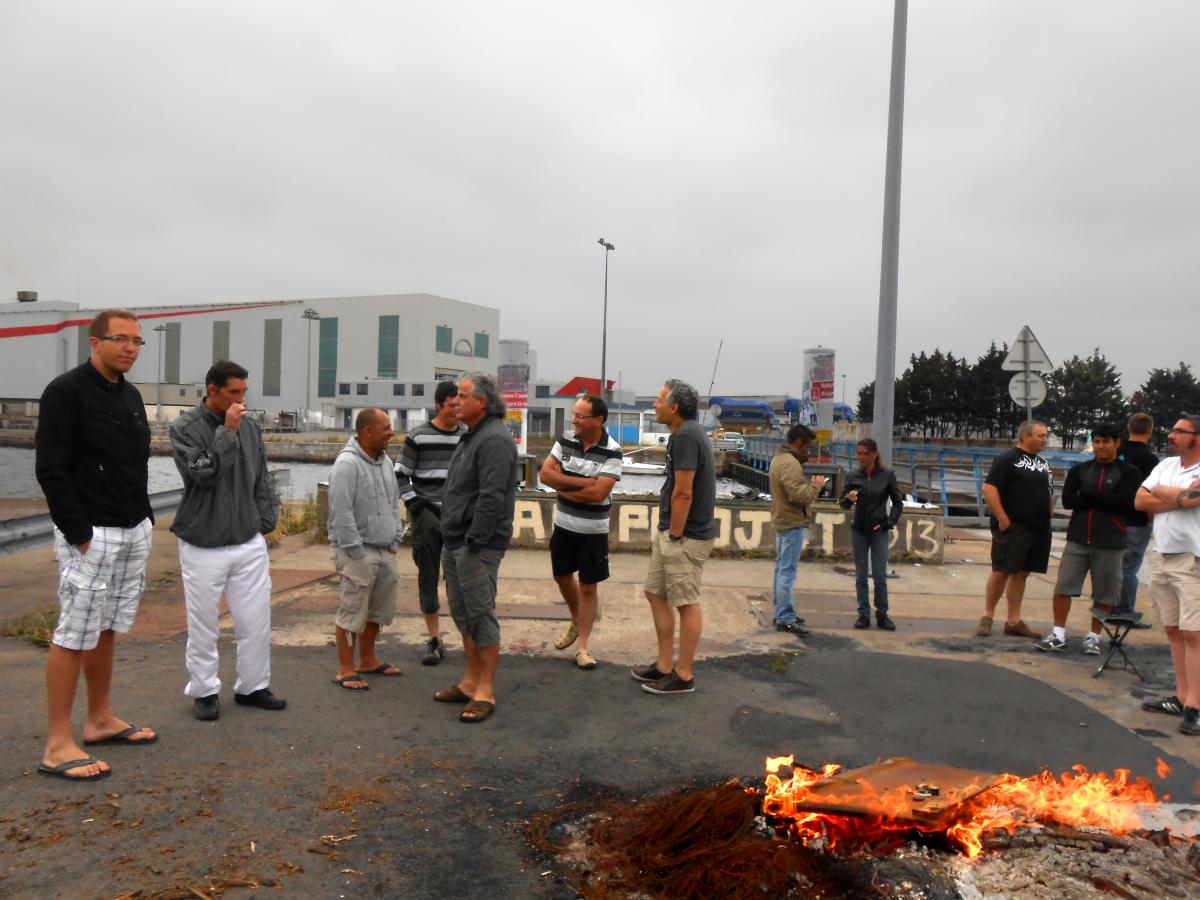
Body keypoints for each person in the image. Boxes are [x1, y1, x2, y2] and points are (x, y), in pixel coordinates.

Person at [33, 309, 157, 781]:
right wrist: (79, 533)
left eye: (137, 341)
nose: (130, 348)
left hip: (132, 527)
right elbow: (51, 468)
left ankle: (100, 719)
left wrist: (144, 520)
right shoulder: (66, 391)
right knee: (74, 632)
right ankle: (57, 745)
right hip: (91, 533)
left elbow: (134, 462)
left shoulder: (130, 395)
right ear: (95, 342)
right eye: (121, 339)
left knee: (106, 627)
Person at [170, 360, 284, 721]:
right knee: (203, 625)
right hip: (203, 543)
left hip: (247, 540)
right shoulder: (185, 428)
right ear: (212, 390)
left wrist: (265, 521)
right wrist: (228, 431)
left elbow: (261, 477)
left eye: (244, 391)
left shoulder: (250, 427)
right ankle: (204, 691)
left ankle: (253, 686)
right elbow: (203, 473)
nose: (242, 399)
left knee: (256, 622)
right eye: (235, 392)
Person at [434, 373, 517, 723]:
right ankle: (470, 682)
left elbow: (492, 496)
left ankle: (485, 691)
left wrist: (475, 540)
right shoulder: (472, 435)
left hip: (476, 544)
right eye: (455, 396)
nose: (455, 401)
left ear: (482, 402)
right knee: (463, 614)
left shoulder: (494, 439)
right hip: (456, 540)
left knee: (481, 615)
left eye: (463, 396)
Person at [631, 379, 717, 696]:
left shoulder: (686, 437)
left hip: (685, 536)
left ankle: (683, 674)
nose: (654, 405)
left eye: (658, 399)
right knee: (655, 593)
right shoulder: (683, 434)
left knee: (686, 603)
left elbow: (683, 492)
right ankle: (665, 665)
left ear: (675, 407)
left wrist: (676, 535)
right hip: (673, 532)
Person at [1036, 423, 1141, 654]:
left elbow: (1124, 503)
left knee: (1104, 592)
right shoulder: (1079, 470)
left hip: (1110, 542)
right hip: (1078, 538)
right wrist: (1104, 499)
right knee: (1063, 586)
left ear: (1117, 443)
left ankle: (1093, 637)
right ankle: (1058, 634)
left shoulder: (1129, 472)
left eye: (1105, 441)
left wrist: (1088, 496)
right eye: (1097, 441)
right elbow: (1069, 501)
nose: (1100, 446)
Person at [539, 394, 623, 668]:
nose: (574, 420)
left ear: (598, 420)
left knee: (588, 587)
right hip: (564, 526)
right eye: (574, 415)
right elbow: (545, 475)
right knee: (561, 576)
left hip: (593, 532)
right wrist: (583, 483)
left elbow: (598, 495)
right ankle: (577, 620)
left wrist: (562, 485)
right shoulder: (566, 440)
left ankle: (583, 647)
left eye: (580, 416)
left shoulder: (613, 451)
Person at [327, 409, 405, 691]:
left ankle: (368, 660)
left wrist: (394, 541)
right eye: (386, 428)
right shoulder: (347, 464)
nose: (391, 432)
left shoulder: (385, 462)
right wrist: (356, 551)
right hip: (357, 551)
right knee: (352, 612)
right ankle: (346, 669)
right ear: (367, 431)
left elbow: (394, 502)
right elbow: (341, 511)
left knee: (376, 611)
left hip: (384, 549)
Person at [1135, 414, 1200, 735]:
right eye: (1172, 430)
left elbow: (1191, 501)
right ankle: (1182, 696)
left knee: (1194, 634)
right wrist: (1177, 495)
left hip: (1192, 560)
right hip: (1162, 556)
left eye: (1180, 431)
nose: (1172, 435)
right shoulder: (1167, 465)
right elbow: (1139, 500)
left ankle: (1195, 707)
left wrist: (1161, 493)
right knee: (1173, 630)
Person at [394, 380, 465, 665]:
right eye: (451, 406)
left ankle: (469, 637)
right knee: (428, 575)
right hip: (427, 515)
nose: (456, 411)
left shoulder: (467, 436)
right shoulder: (418, 436)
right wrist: (415, 505)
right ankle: (434, 638)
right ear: (438, 406)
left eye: (459, 405)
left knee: (462, 576)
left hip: (458, 516)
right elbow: (400, 474)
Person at [976, 420, 1054, 640]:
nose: (1045, 440)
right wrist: (1003, 519)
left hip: (1038, 527)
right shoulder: (1007, 459)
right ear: (1026, 436)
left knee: (1022, 573)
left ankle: (1013, 621)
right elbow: (989, 489)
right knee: (1002, 571)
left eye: (1046, 435)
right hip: (1014, 526)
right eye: (1040, 436)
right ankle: (987, 616)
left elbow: (1048, 492)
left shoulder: (1043, 462)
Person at [768, 424, 826, 638]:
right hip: (791, 523)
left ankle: (782, 612)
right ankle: (785, 618)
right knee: (787, 573)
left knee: (780, 571)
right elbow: (798, 496)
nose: (808, 451)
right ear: (799, 443)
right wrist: (816, 485)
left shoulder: (778, 459)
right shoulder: (790, 463)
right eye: (807, 447)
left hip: (782, 521)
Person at [840, 437, 904, 630]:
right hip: (859, 529)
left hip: (878, 530)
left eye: (865, 454)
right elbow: (843, 504)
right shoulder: (852, 475)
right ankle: (863, 614)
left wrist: (888, 523)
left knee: (879, 575)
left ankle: (882, 614)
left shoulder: (887, 475)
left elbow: (898, 503)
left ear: (874, 454)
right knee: (861, 575)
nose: (861, 457)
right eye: (858, 453)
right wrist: (849, 499)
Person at [1115, 413, 1159, 625]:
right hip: (1137, 519)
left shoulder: (1116, 451)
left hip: (1112, 516)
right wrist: (1152, 520)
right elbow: (1151, 492)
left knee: (1112, 565)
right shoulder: (1150, 459)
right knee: (1129, 568)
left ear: (1128, 428)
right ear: (1150, 430)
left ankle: (1108, 607)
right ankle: (1124, 612)